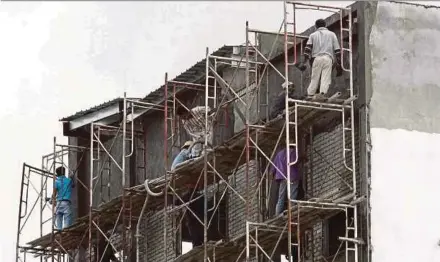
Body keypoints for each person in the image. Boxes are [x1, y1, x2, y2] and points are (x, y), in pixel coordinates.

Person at [297, 19, 342, 99]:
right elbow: (337, 50)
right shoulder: (332, 34)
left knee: (315, 78)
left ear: (316, 26)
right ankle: (322, 93)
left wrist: (304, 61)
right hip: (328, 58)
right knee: (326, 78)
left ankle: (310, 94)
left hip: (317, 58)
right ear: (325, 25)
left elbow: (307, 49)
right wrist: (339, 63)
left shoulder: (313, 35)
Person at [270, 146, 301, 216]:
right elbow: (294, 162)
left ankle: (277, 214)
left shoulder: (279, 154)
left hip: (282, 177)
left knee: (281, 196)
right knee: (292, 196)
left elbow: (273, 169)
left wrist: (272, 177)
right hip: (292, 176)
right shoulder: (293, 152)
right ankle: (292, 212)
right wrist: (302, 158)